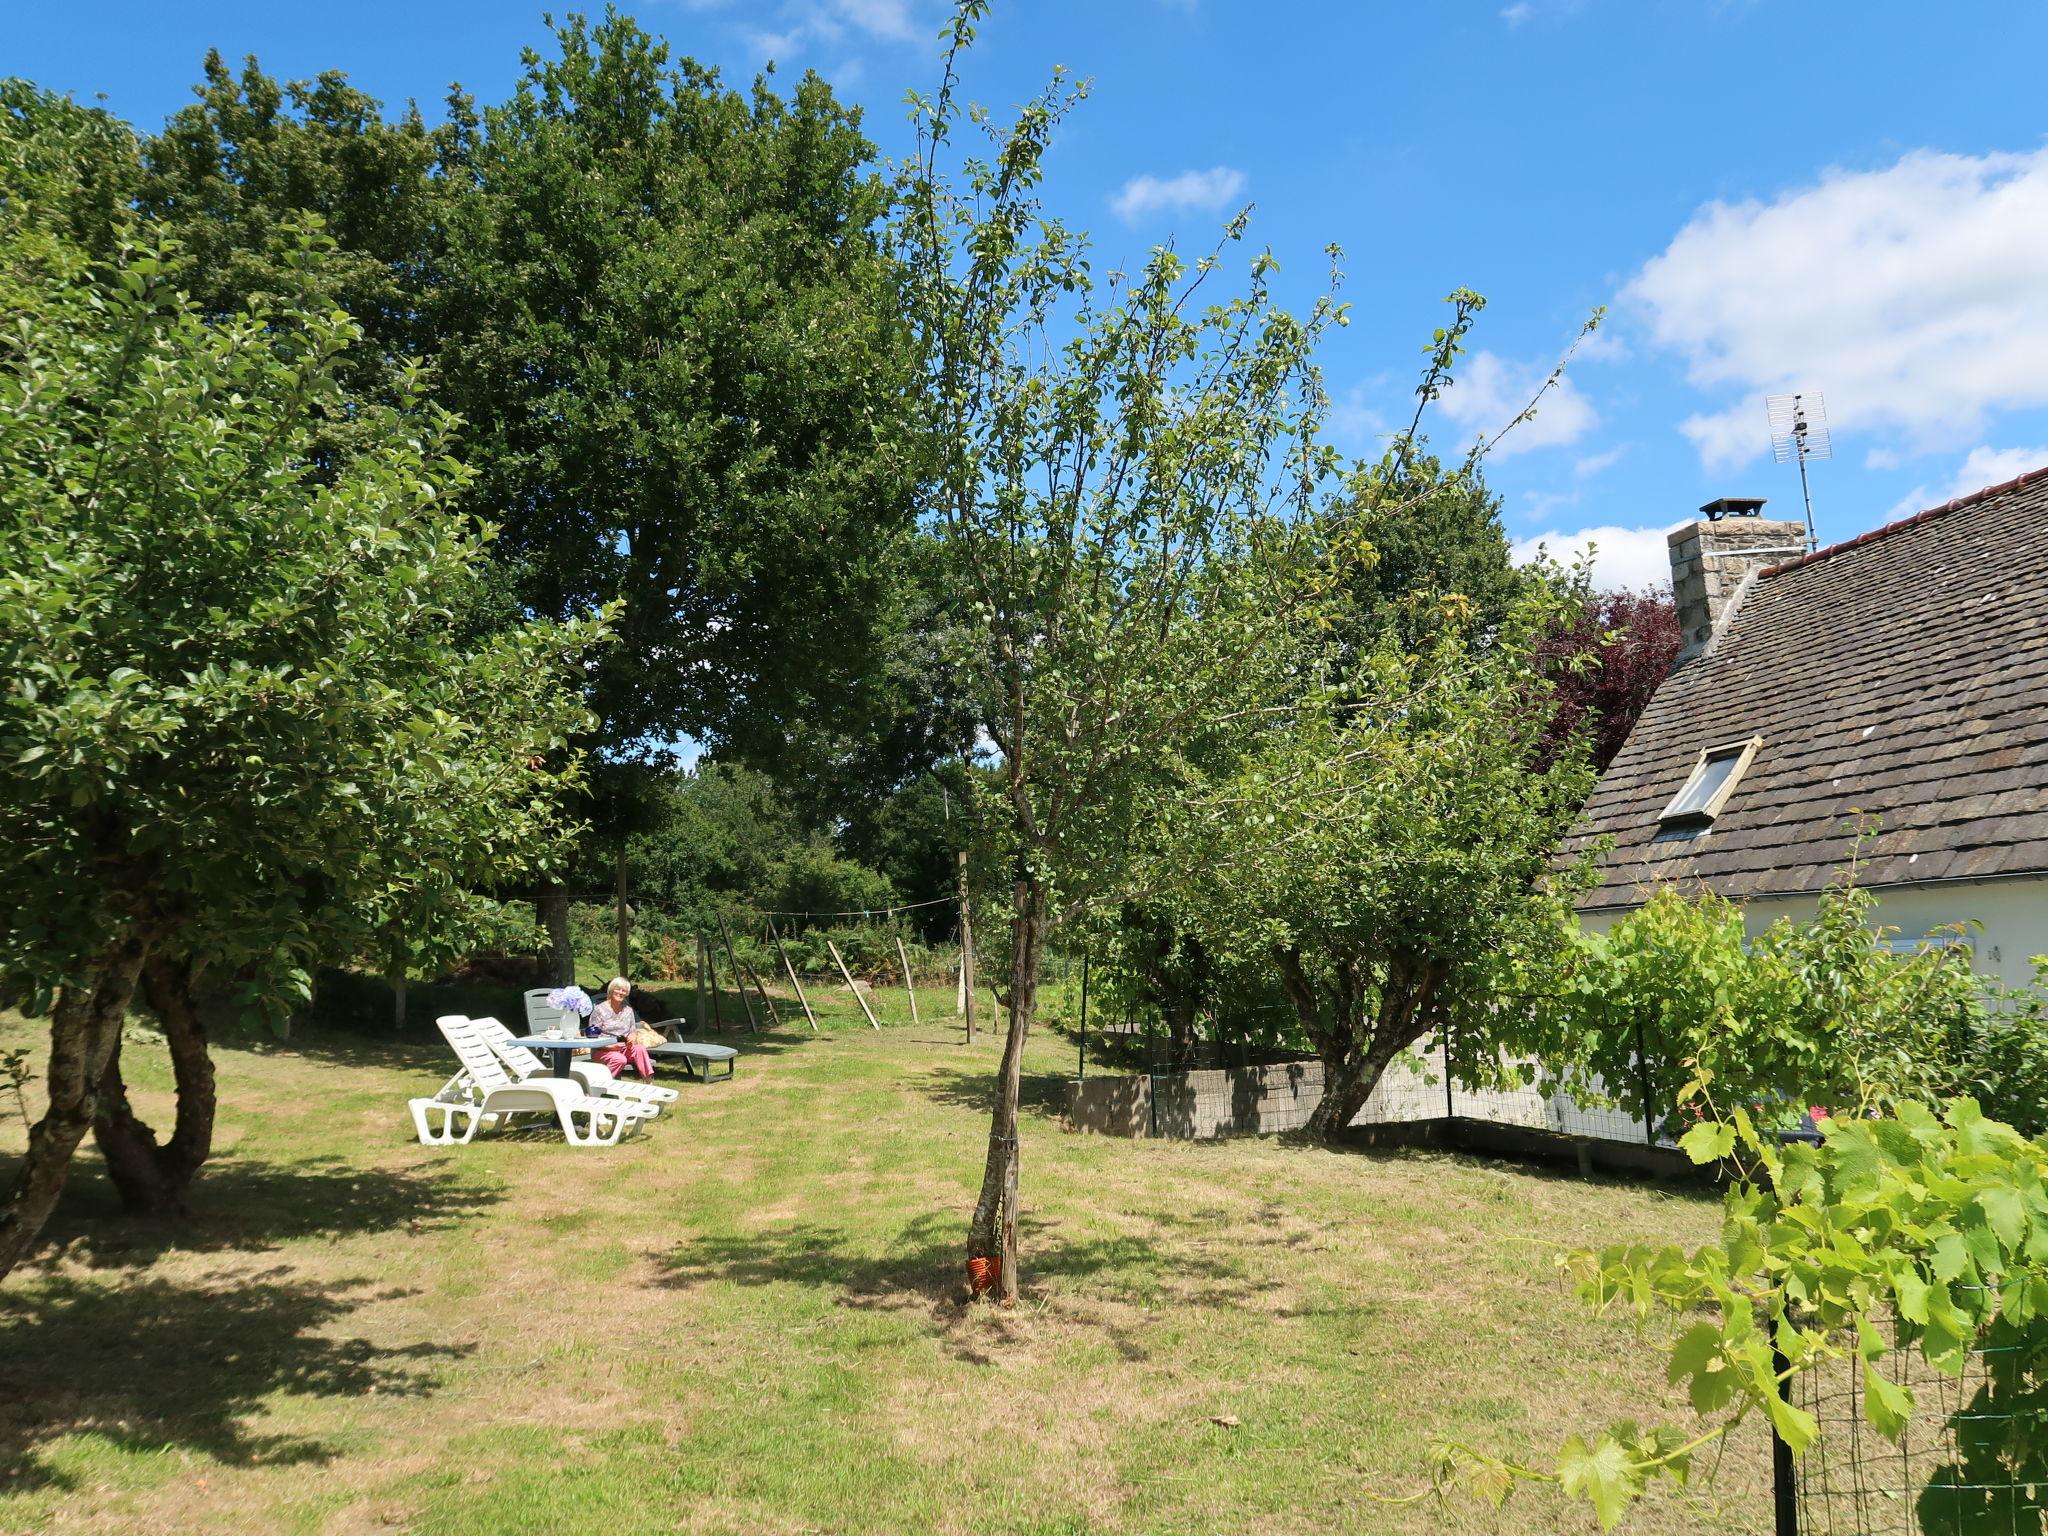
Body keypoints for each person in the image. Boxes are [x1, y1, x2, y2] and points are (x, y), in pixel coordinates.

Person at [589, 976, 655, 1080]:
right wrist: (611, 1046)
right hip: (603, 1050)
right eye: (618, 989)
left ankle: (648, 1081)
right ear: (611, 990)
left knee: (640, 1049)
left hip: (623, 1048)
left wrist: (632, 1038)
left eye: (624, 991)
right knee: (619, 1059)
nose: (621, 992)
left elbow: (633, 1031)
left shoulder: (628, 1011)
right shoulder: (599, 1010)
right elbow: (593, 1037)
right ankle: (601, 1083)